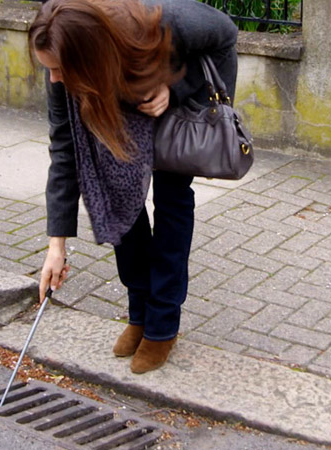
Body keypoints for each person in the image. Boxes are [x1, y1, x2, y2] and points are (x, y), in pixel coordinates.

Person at [29, 0, 238, 374]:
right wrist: (56, 246)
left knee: (172, 198)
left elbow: (225, 34)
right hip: (113, 97)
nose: (54, 79)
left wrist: (175, 88)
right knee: (118, 199)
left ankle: (163, 323)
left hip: (171, 101)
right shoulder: (61, 68)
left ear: (89, 54)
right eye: (49, 69)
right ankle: (139, 312)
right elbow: (64, 150)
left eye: (60, 69)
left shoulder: (159, 21)